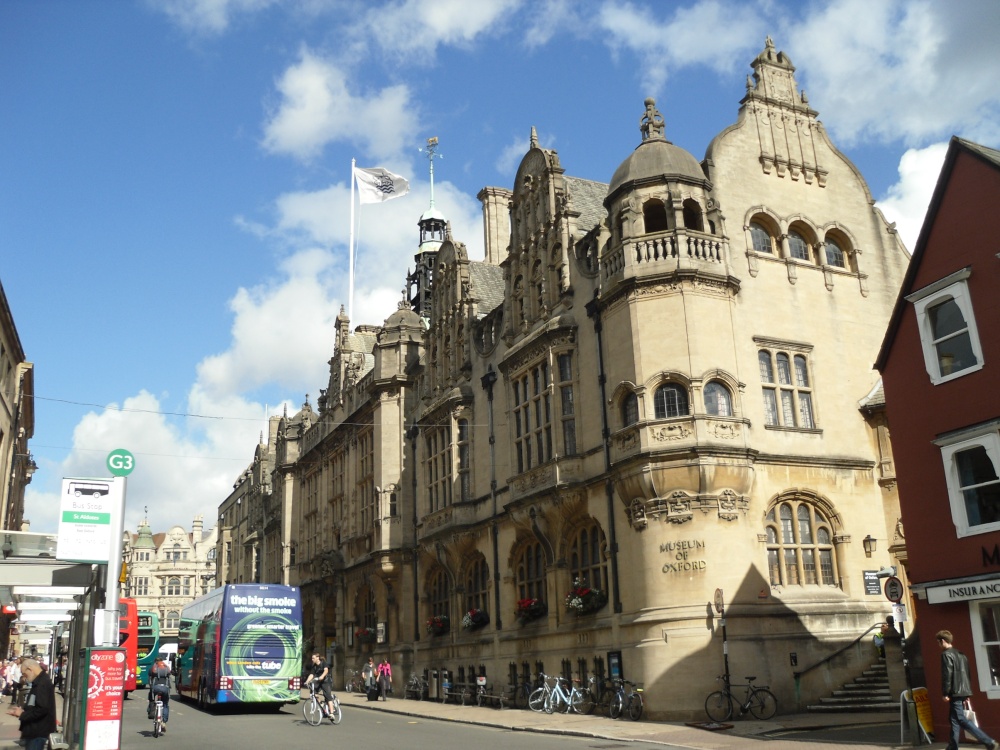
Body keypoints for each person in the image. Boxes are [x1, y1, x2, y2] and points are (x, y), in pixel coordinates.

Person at [936, 629, 997, 750]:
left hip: (954, 691)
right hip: (964, 690)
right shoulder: (961, 654)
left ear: (942, 641)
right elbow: (967, 674)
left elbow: (947, 675)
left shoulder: (946, 655)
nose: (938, 645)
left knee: (960, 719)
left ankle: (988, 741)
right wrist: (967, 692)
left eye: (938, 642)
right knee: (953, 718)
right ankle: (953, 746)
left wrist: (945, 693)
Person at [7, 658, 55, 750]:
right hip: (34, 731)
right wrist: (22, 711)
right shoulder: (38, 682)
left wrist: (23, 714)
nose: (24, 677)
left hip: (37, 732)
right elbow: (35, 705)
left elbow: (42, 709)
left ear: (30, 669)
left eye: (24, 673)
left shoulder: (42, 684)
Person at [304, 652, 335, 720]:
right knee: (313, 692)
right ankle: (321, 703)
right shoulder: (314, 666)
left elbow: (326, 670)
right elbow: (311, 674)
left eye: (313, 658)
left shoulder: (323, 663)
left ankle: (332, 713)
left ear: (317, 658)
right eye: (312, 658)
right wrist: (307, 681)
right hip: (318, 681)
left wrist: (322, 676)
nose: (312, 659)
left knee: (327, 696)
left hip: (326, 681)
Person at [148, 657, 172, 733]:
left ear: (155, 662)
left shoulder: (153, 668)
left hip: (155, 688)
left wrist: (151, 687)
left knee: (151, 699)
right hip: (165, 688)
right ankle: (164, 722)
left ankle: (151, 711)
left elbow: (149, 679)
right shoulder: (166, 668)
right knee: (165, 704)